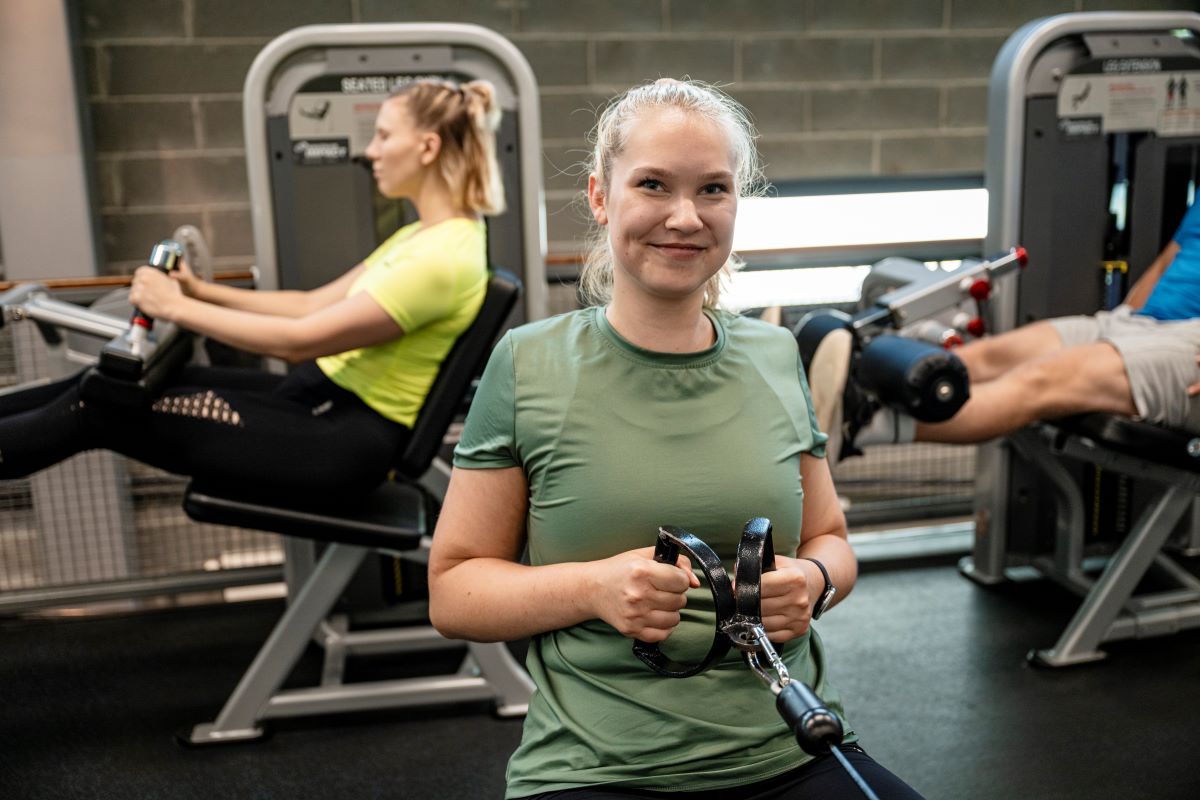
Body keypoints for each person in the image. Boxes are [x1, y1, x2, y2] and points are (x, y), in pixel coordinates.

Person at [428, 79, 923, 800]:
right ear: (601, 197)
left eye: (713, 189)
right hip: (599, 768)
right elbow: (453, 592)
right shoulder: (528, 364)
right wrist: (593, 588)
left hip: (792, 748)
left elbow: (832, 540)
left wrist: (815, 582)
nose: (685, 217)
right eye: (653, 184)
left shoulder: (775, 354)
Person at [0, 78, 504, 500]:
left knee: (103, 409)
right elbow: (307, 305)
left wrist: (174, 305)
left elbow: (299, 341)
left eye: (383, 136)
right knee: (106, 384)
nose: (370, 150)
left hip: (340, 440)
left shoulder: (443, 258)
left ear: (428, 147)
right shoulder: (423, 236)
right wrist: (198, 292)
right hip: (321, 400)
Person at [816, 198, 1200, 460]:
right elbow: (1169, 262)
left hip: (1192, 346)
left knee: (1041, 379)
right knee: (985, 356)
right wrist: (1129, 317)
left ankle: (858, 426)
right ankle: (844, 389)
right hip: (1142, 322)